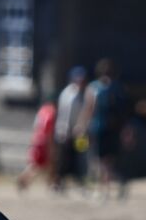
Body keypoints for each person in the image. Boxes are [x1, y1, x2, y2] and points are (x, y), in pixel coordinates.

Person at [76, 59, 128, 202]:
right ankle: (111, 185)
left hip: (98, 128)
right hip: (114, 129)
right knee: (108, 161)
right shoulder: (117, 88)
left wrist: (81, 126)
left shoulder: (94, 88)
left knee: (99, 161)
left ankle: (104, 189)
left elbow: (88, 109)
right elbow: (124, 112)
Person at [53, 67, 88, 191]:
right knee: (63, 159)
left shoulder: (79, 93)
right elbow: (66, 114)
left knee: (78, 155)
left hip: (76, 132)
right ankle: (58, 182)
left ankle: (77, 180)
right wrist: (66, 130)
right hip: (66, 131)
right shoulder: (70, 94)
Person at [17, 96, 58, 192]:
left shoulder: (42, 110)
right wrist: (51, 147)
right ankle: (50, 184)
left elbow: (36, 126)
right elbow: (49, 131)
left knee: (38, 164)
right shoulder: (51, 112)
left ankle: (51, 183)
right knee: (45, 164)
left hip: (37, 139)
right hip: (44, 141)